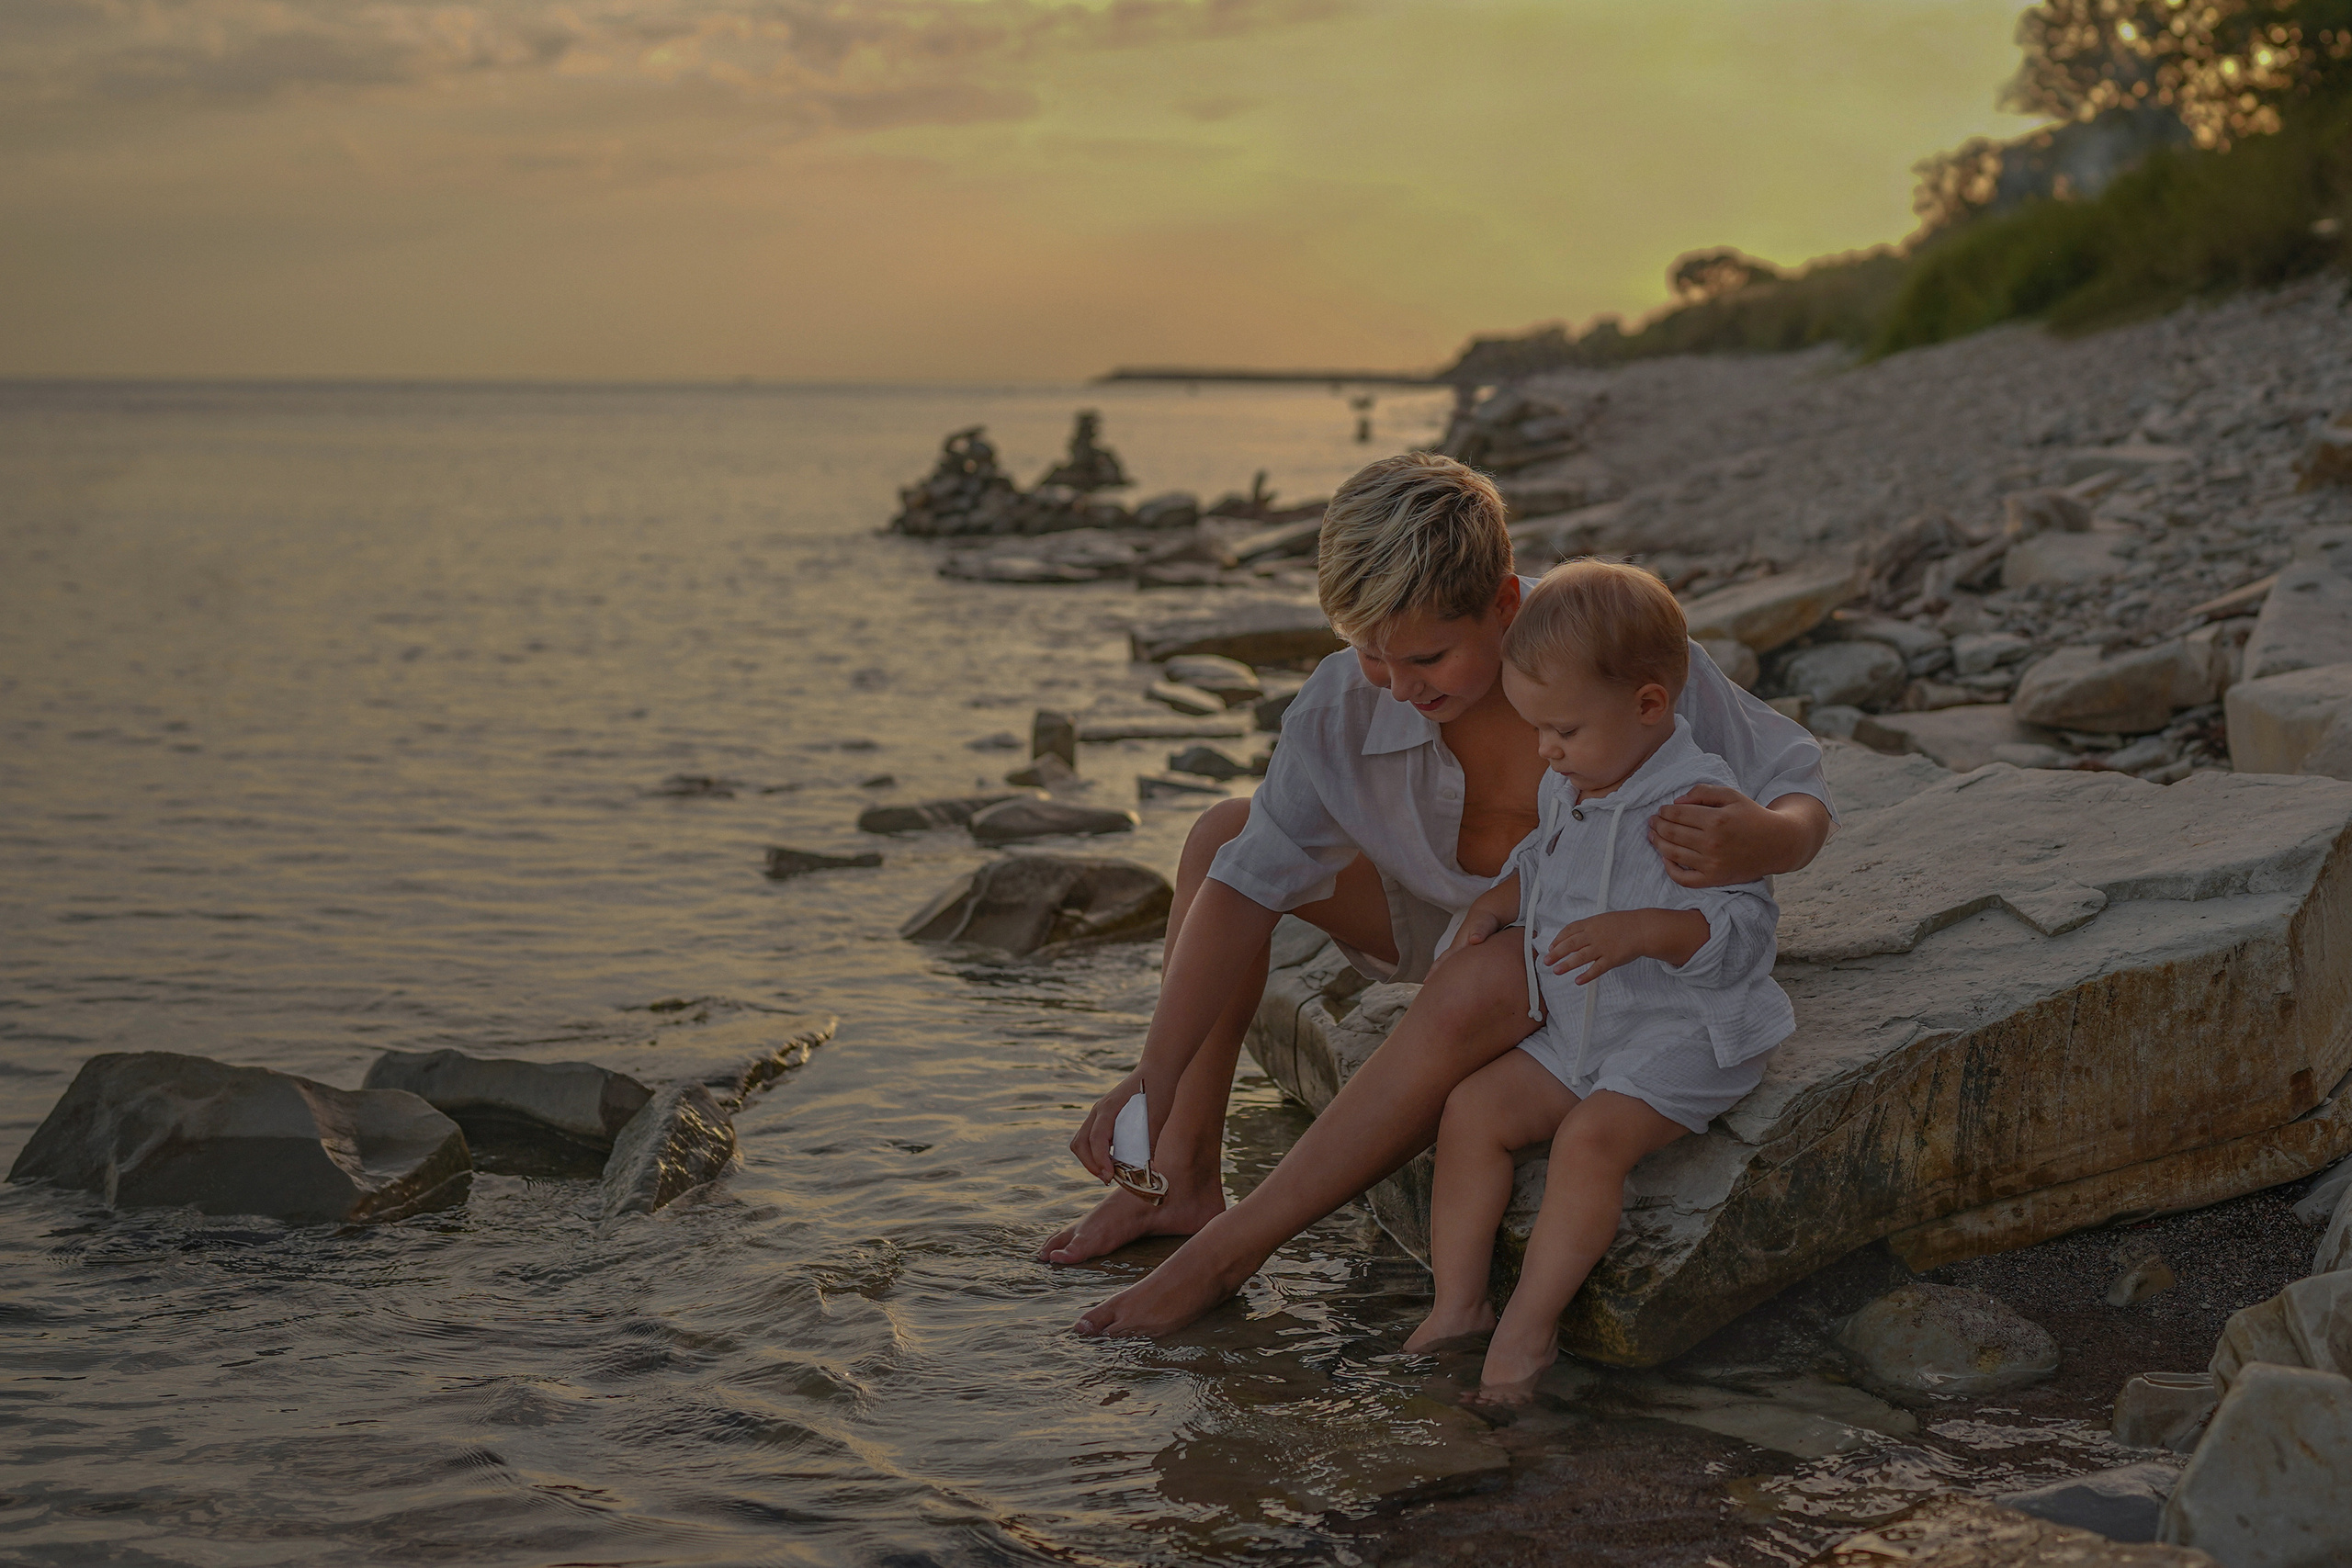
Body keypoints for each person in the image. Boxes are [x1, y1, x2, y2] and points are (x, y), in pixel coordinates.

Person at [1044, 452, 1833, 1339]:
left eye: (1427, 656)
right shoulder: (1344, 702)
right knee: (1224, 836)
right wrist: (1155, 1071)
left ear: (1504, 604)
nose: (1400, 685)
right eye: (1371, 652)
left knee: (1480, 981)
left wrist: (1774, 836)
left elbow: (1795, 778)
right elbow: (1246, 883)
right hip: (1443, 912)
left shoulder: (1609, 643)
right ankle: (1180, 1175)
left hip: (1588, 937)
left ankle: (1230, 1250)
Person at [1400, 561, 1794, 1403]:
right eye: (1535, 727)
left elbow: (1747, 935)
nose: (1544, 750)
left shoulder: (1695, 805)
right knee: (1472, 1108)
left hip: (1683, 1032)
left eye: (1564, 731)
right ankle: (1458, 1303)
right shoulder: (1573, 780)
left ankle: (1527, 1330)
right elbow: (1547, 856)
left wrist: (1651, 931)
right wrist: (1502, 901)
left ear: (1650, 706)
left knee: (1588, 1141)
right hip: (1581, 1026)